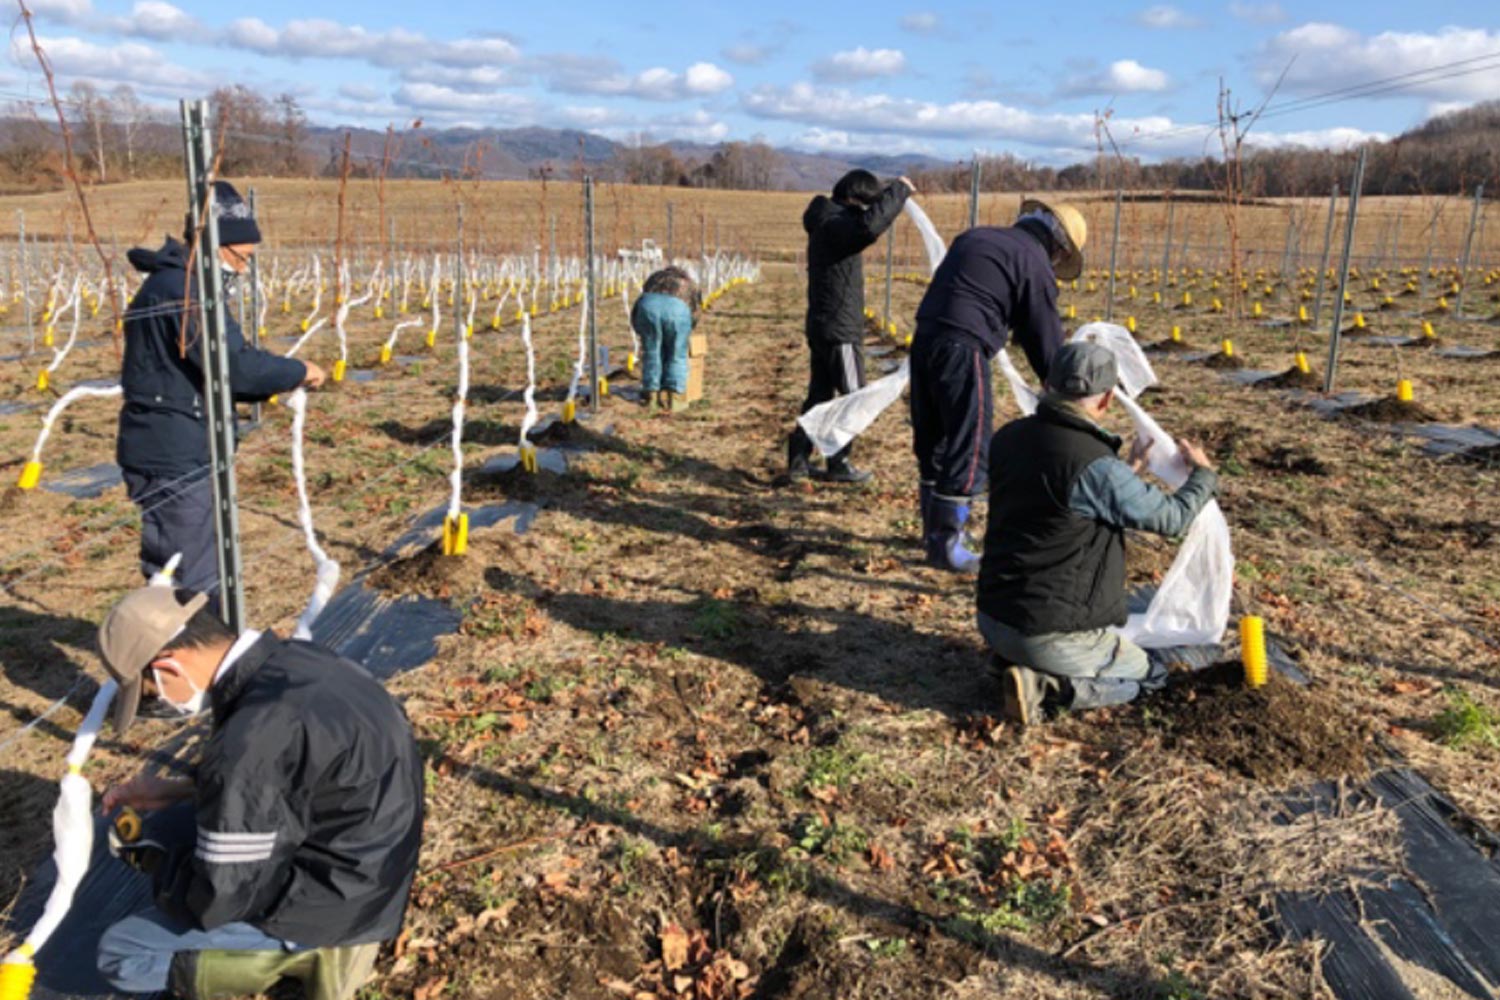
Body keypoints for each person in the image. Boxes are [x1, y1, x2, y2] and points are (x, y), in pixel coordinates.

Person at [93, 586, 423, 998]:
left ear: (169, 666)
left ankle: (306, 964)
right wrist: (180, 789)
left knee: (123, 953)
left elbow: (218, 901)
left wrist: (163, 870)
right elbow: (293, 774)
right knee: (177, 823)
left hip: (334, 910)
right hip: (373, 862)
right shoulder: (297, 661)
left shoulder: (249, 739)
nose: (159, 704)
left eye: (150, 693)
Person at [976, 342, 1219, 725]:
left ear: (1047, 384)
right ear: (1107, 399)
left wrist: (1128, 472)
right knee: (1151, 675)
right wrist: (1203, 475)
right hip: (1049, 634)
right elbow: (1172, 520)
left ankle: (1008, 659)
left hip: (992, 616)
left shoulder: (1009, 437)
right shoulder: (1094, 465)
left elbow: (1059, 503)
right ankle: (1048, 688)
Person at [119, 181, 324, 600]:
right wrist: (298, 370)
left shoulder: (185, 286)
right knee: (186, 579)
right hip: (172, 455)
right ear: (213, 245)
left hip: (183, 443)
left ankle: (196, 651)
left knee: (197, 568)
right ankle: (179, 657)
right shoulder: (183, 292)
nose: (244, 270)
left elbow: (216, 371)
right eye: (240, 258)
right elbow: (233, 366)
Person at [909, 198, 1087, 571]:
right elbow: (1044, 335)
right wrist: (1063, 389)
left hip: (925, 338)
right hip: (964, 344)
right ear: (1058, 246)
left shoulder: (976, 237)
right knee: (970, 442)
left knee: (935, 438)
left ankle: (932, 531)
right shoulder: (1034, 262)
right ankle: (947, 543)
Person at [786, 170, 913, 483]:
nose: (864, 213)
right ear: (854, 199)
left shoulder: (826, 220)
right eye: (863, 205)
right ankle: (838, 462)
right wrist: (899, 192)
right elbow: (869, 229)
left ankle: (799, 461)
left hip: (824, 323)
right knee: (854, 397)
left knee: (821, 396)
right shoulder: (836, 225)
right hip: (839, 328)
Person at [632, 266, 697, 412]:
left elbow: (641, 299)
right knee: (676, 354)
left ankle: (652, 397)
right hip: (678, 311)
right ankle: (674, 399)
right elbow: (694, 311)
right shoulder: (688, 283)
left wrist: (639, 328)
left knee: (652, 352)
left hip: (648, 307)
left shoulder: (655, 277)